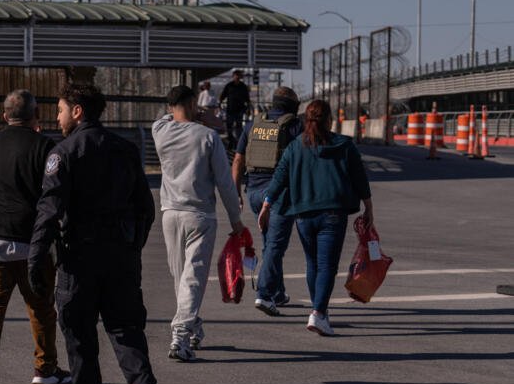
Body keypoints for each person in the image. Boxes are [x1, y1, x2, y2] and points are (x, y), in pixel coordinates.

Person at [28, 83, 171, 384]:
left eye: (60, 110)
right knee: (125, 330)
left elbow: (49, 209)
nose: (57, 117)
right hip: (120, 257)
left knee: (79, 335)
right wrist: (131, 246)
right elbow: (145, 208)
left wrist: (36, 258)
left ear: (77, 111)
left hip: (79, 259)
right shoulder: (125, 149)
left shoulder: (63, 152)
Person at [0, 89, 70, 384]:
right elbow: (52, 194)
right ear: (35, 116)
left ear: (4, 116)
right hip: (31, 242)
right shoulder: (45, 147)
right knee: (41, 307)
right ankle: (45, 368)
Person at [259, 99, 374, 336]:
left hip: (303, 214)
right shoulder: (344, 146)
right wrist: (368, 207)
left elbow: (280, 176)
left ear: (306, 119)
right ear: (330, 119)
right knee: (327, 266)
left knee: (313, 263)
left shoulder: (294, 147)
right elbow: (360, 179)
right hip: (333, 214)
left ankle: (318, 310)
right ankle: (319, 314)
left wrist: (267, 205)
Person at [153, 86, 244, 361]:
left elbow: (166, 117)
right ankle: (180, 337)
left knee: (180, 276)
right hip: (200, 214)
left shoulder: (160, 131)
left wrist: (184, 112)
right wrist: (236, 220)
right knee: (193, 278)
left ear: (170, 107)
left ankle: (192, 326)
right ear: (194, 103)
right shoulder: (208, 137)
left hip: (170, 212)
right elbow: (225, 182)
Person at [232, 86, 303, 317]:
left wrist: (236, 194)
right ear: (293, 105)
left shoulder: (254, 124)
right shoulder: (294, 125)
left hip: (253, 191)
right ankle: (264, 293)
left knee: (269, 243)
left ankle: (278, 292)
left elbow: (238, 159)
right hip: (278, 193)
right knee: (275, 245)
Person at [219, 70, 251, 149]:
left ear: (240, 77)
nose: (237, 77)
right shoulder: (229, 86)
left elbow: (247, 99)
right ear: (233, 76)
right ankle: (231, 141)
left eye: (238, 75)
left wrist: (248, 109)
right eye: (236, 75)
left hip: (240, 110)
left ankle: (238, 143)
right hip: (230, 110)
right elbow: (223, 95)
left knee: (239, 127)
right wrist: (219, 103)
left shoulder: (243, 86)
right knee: (229, 127)